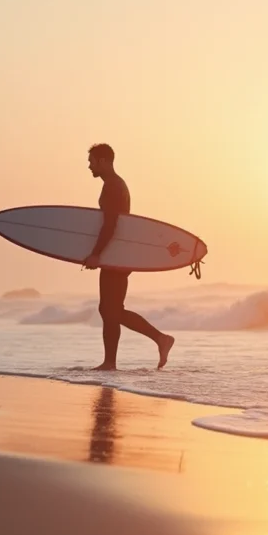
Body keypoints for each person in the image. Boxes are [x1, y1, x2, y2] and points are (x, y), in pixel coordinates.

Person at [82, 143, 174, 370]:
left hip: (116, 257)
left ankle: (160, 339)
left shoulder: (114, 186)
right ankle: (110, 362)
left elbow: (111, 225)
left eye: (92, 161)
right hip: (116, 255)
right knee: (109, 310)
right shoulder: (113, 185)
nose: (89, 166)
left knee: (111, 310)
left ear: (103, 160)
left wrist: (96, 254)